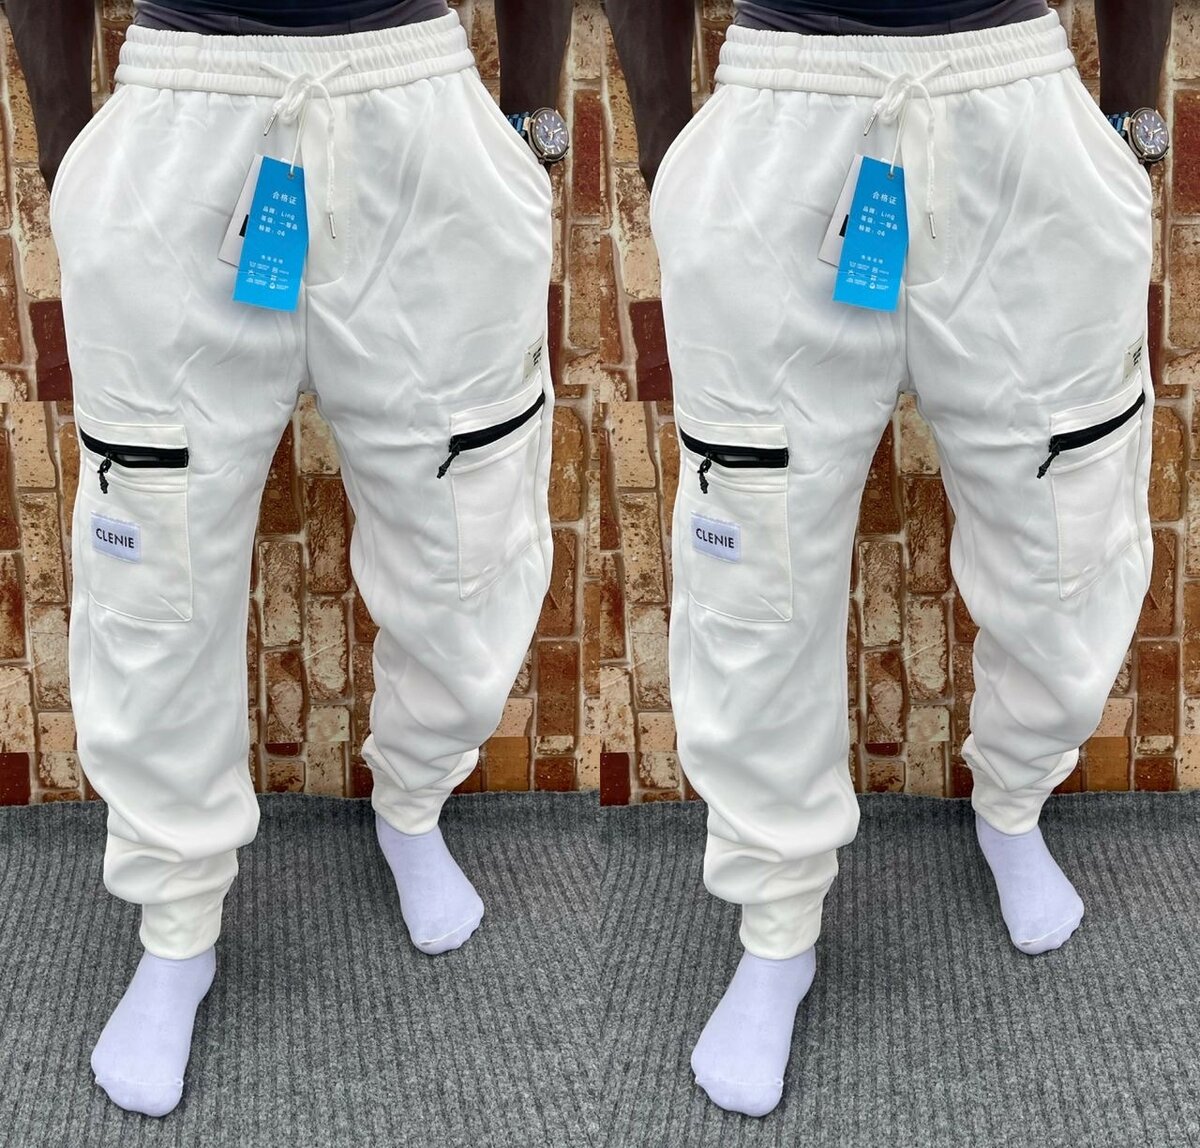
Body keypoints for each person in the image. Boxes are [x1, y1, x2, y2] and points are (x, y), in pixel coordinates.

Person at [650, 0, 1172, 1118]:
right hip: (780, 101)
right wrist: (667, 150)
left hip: (1018, 101)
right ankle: (777, 924)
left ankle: (1014, 800)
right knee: (754, 573)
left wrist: (1132, 122)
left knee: (1067, 536)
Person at [47, 0, 564, 1118]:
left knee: (467, 532)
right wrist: (63, 150)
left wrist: (532, 129)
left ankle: (413, 800)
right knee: (152, 569)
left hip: (419, 106)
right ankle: (177, 923)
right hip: (180, 96)